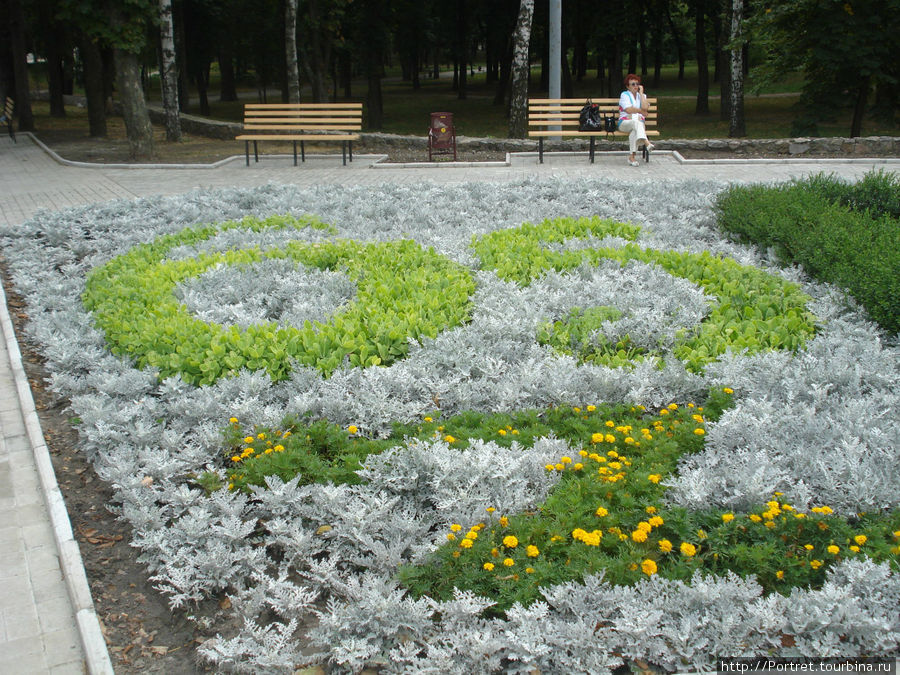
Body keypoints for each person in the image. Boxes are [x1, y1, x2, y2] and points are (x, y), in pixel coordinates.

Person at [618, 74, 654, 166]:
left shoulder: (642, 96)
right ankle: (646, 142)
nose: (635, 86)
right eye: (633, 84)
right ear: (627, 86)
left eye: (637, 84)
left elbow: (645, 108)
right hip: (624, 123)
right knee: (636, 122)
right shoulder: (624, 95)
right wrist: (640, 111)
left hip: (637, 125)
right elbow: (628, 110)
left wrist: (641, 93)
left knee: (635, 131)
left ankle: (632, 158)